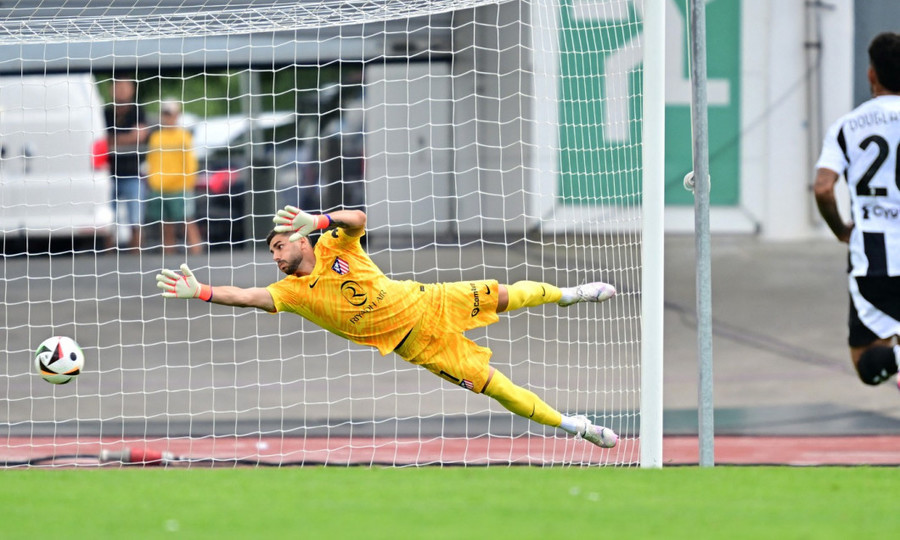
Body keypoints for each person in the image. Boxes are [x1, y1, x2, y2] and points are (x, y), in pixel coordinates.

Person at [156, 205, 620, 448]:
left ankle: (570, 294)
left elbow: (358, 218)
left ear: (300, 239)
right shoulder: (292, 295)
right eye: (273, 252)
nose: (275, 258)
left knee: (507, 293)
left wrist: (317, 218)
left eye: (279, 247)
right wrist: (200, 291)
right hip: (418, 346)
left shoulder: (337, 245)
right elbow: (247, 297)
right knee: (498, 389)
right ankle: (576, 426)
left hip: (430, 300)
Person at [814, 32, 900, 389]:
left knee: (867, 363)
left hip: (873, 257)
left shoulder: (847, 126)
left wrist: (839, 230)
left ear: (871, 74)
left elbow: (823, 187)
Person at [144, 99, 202, 254]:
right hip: (160, 187)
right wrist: (153, 181)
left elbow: (190, 162)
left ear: (177, 115)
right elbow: (152, 160)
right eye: (165, 113)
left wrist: (189, 181)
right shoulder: (156, 137)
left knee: (188, 221)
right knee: (166, 225)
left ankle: (198, 255)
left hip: (180, 186)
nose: (168, 117)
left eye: (171, 114)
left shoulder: (184, 136)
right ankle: (170, 259)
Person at [104, 75, 149, 250]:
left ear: (132, 89)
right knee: (106, 218)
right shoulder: (105, 113)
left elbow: (140, 135)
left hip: (132, 173)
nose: (121, 90)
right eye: (117, 86)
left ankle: (135, 254)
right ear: (111, 89)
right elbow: (100, 139)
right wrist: (128, 137)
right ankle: (106, 254)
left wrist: (114, 140)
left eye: (125, 86)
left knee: (136, 219)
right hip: (108, 174)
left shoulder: (138, 111)